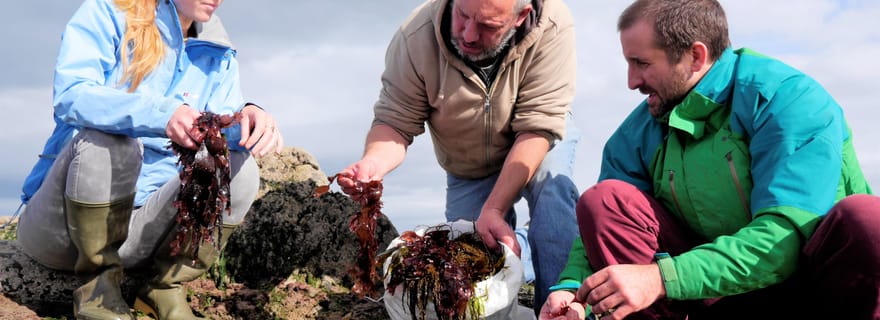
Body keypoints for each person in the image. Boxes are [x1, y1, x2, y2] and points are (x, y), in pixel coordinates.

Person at [539, 1, 879, 319]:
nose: (631, 82)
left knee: (867, 219)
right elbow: (597, 232)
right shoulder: (637, 133)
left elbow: (783, 239)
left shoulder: (788, 100)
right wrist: (573, 289)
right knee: (605, 201)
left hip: (813, 286)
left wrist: (659, 279)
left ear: (695, 57)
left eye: (642, 63)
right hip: (715, 295)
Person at [15, 0, 284, 319]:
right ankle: (96, 287)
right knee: (112, 140)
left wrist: (249, 118)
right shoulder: (106, 12)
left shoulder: (219, 50)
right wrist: (162, 114)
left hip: (142, 234)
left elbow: (218, 135)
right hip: (60, 231)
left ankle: (164, 287)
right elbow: (71, 95)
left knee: (239, 168)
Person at [337, 0, 580, 309]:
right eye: (462, 15)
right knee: (472, 253)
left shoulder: (553, 24)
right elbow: (395, 122)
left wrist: (495, 207)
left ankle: (560, 307)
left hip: (536, 138)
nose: (467, 35)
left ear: (521, 16)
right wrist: (373, 163)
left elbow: (538, 126)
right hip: (468, 161)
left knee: (553, 198)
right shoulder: (416, 37)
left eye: (488, 26)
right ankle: (519, 272)